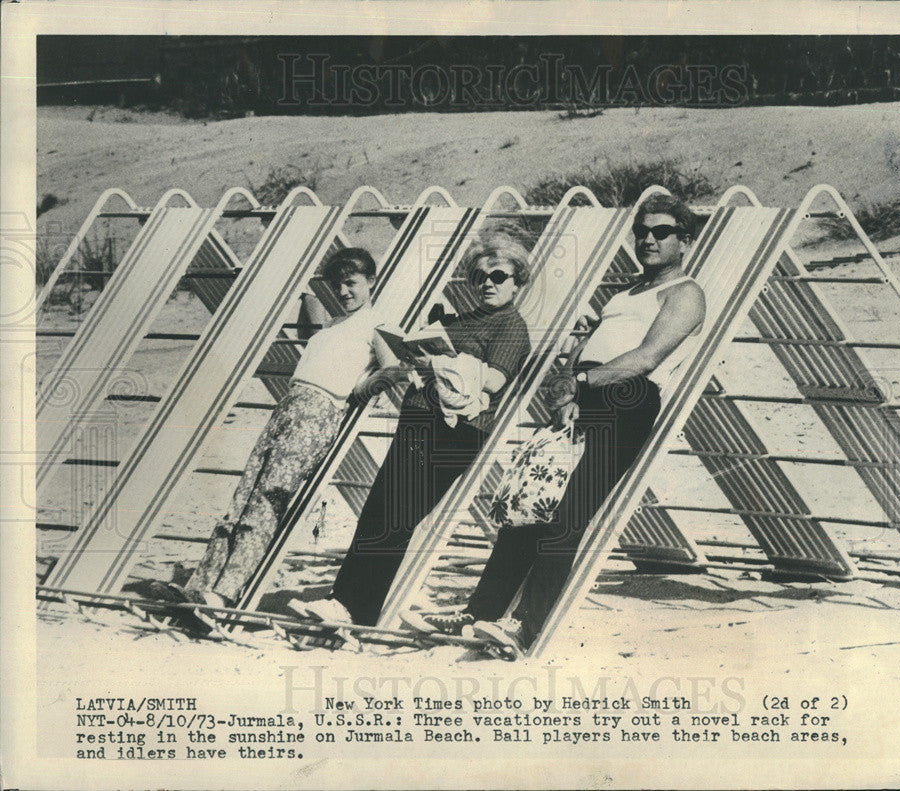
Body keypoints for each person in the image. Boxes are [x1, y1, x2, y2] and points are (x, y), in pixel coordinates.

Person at [402, 194, 707, 654]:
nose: (647, 239)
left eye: (661, 232)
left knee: (568, 514)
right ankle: (479, 614)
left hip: (628, 398)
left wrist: (579, 382)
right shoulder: (625, 293)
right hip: (585, 394)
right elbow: (578, 350)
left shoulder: (685, 293)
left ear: (683, 241)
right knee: (528, 505)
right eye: (642, 231)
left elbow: (647, 358)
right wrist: (567, 381)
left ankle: (524, 624)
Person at [299, 230, 533, 628]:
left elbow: (493, 381)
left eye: (498, 276)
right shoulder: (461, 319)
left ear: (517, 280)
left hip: (456, 430)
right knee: (378, 510)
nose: (488, 284)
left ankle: (353, 606)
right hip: (420, 419)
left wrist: (438, 362)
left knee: (397, 515)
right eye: (479, 277)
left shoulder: (510, 325)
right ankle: (345, 603)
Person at [151, 247, 406, 609]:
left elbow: (394, 369)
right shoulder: (334, 325)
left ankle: (224, 593)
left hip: (318, 413)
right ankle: (199, 585)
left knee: (268, 499)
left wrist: (357, 392)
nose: (345, 291)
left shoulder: (378, 324)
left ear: (371, 282)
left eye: (352, 283)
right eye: (338, 285)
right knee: (242, 498)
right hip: (288, 407)